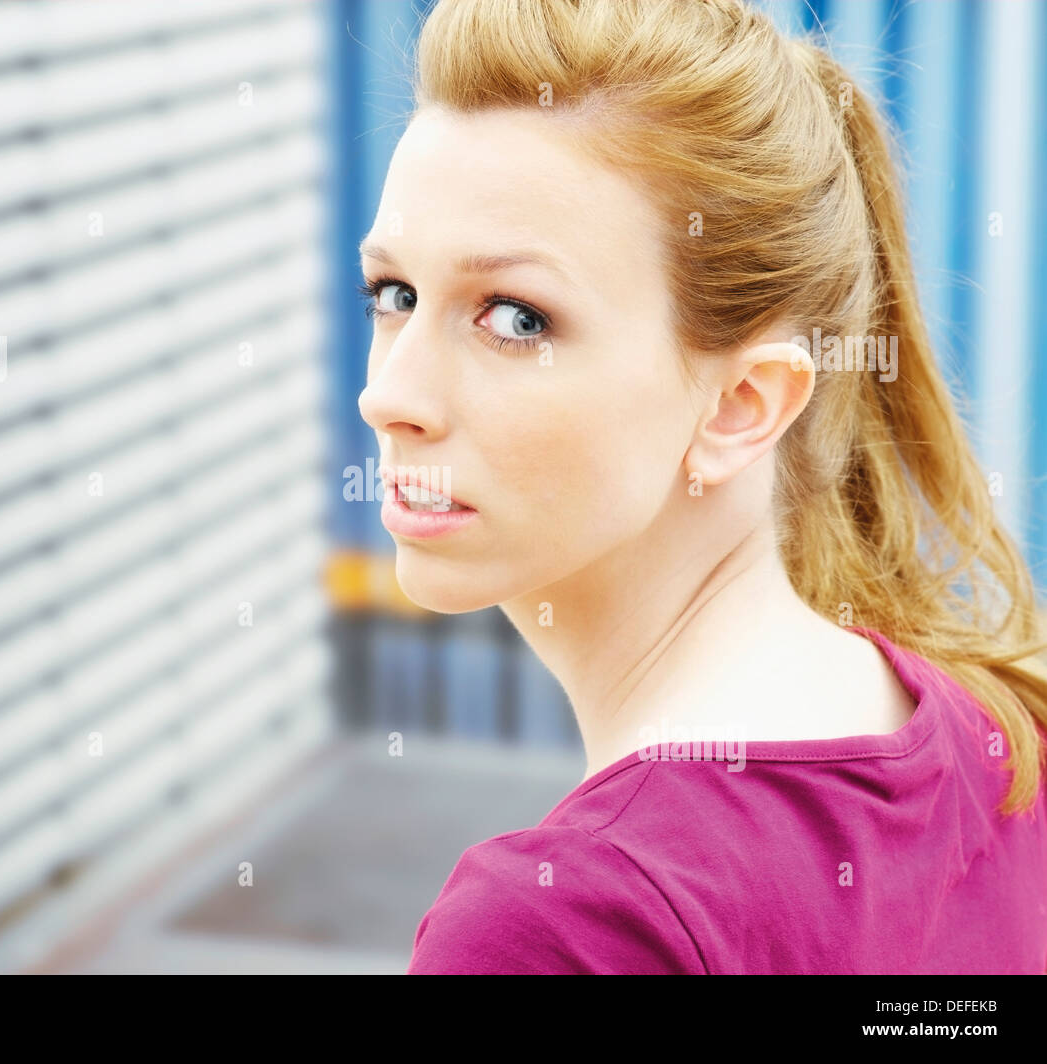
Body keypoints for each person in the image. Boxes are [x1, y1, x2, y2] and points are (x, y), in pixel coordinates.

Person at [355, 0, 1047, 974]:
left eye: (514, 317)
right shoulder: (1000, 739)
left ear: (740, 405)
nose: (388, 395)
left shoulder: (567, 924)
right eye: (393, 295)